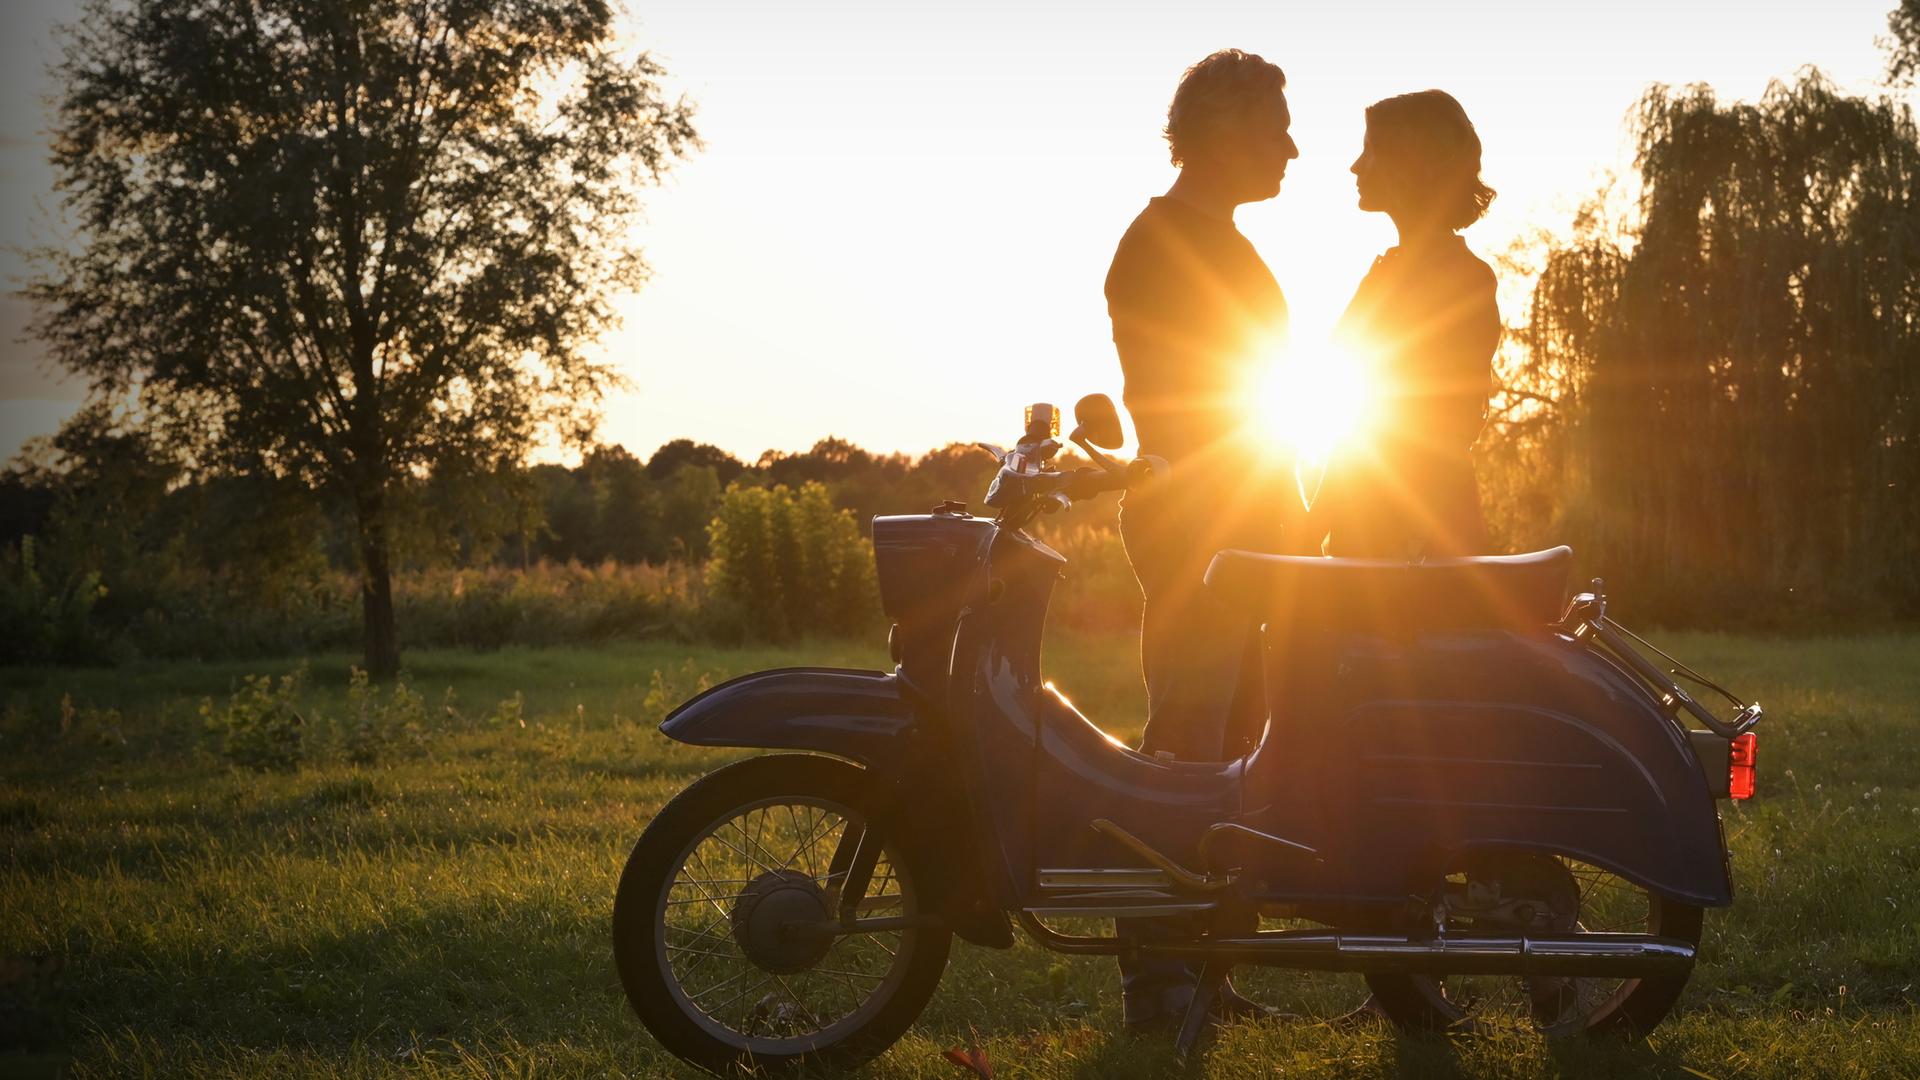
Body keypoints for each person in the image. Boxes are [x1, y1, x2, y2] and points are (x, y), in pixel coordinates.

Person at [1103, 47, 1296, 1034]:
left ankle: (1208, 965)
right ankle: (1158, 980)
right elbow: (1190, 409)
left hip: (1247, 526)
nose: (1294, 151)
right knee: (1188, 743)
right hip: (1201, 530)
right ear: (1225, 132)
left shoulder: (1215, 238)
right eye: (1277, 128)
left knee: (1238, 748)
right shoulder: (1166, 243)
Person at [1314, 90, 1500, 558]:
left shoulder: (1455, 278)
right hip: (1377, 521)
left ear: (1409, 163)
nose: (1356, 166)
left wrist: (1306, 530)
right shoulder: (1393, 271)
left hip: (1410, 534)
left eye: (1370, 150)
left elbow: (1411, 429)